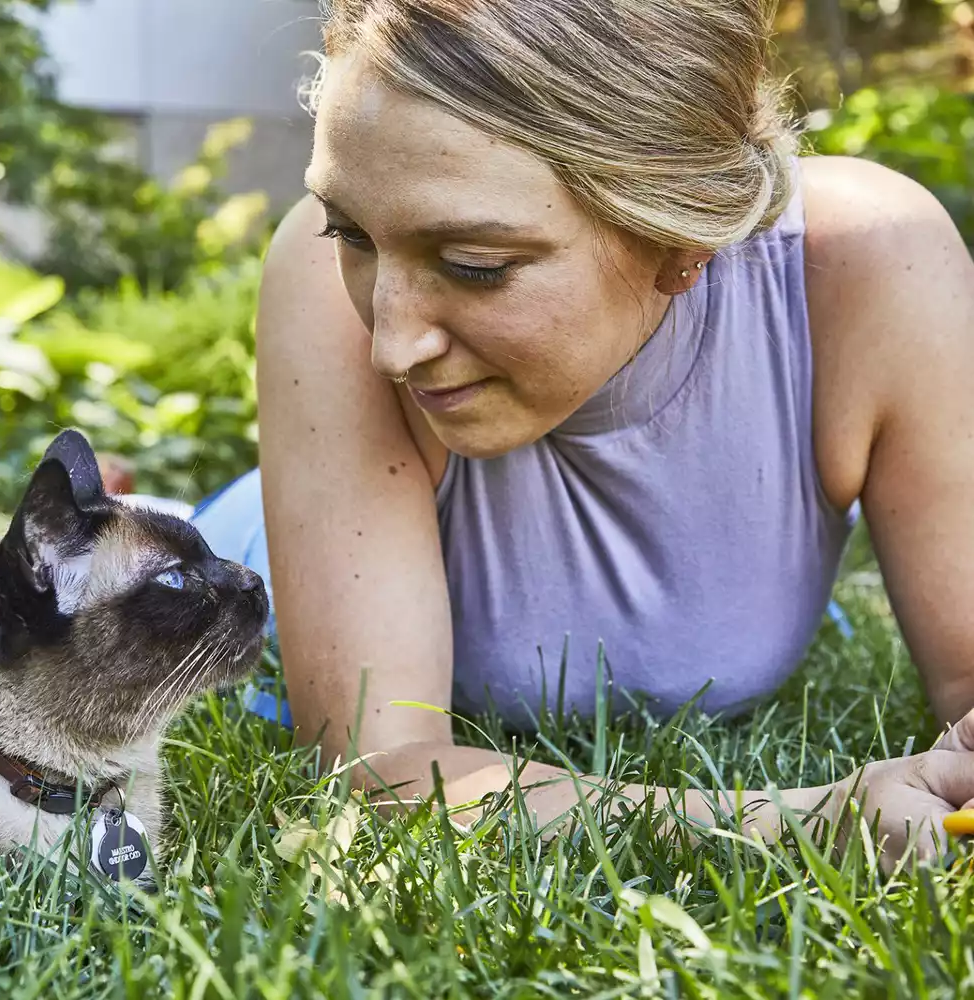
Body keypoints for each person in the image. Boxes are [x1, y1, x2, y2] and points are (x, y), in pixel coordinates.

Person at [187, 0, 974, 867]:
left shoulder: (866, 264)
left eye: (474, 267)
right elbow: (381, 774)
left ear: (680, 240)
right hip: (239, 547)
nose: (389, 343)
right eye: (353, 233)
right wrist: (799, 819)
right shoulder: (319, 277)